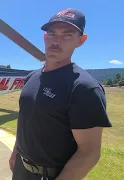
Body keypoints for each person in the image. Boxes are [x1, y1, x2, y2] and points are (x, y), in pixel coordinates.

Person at [9, 8, 112, 180]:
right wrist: (15, 153)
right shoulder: (31, 78)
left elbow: (89, 153)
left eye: (67, 35)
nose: (56, 41)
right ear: (44, 37)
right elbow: (26, 121)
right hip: (21, 168)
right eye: (52, 34)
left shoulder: (84, 88)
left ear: (81, 40)